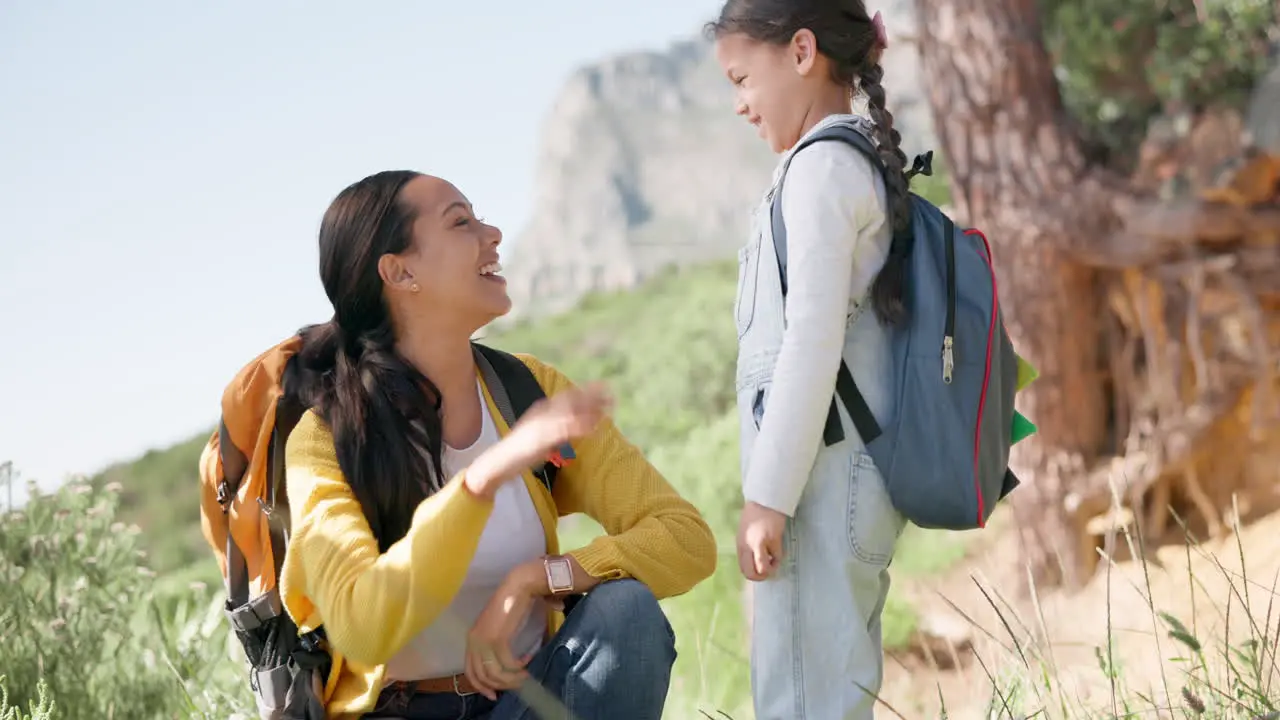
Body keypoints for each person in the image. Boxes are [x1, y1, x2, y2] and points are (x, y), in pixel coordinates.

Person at [276, 169, 718, 720]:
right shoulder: (325, 439)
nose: (494, 234)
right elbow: (362, 628)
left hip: (530, 697)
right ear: (400, 271)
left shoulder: (525, 391)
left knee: (625, 611)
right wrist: (482, 481)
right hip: (405, 710)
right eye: (461, 222)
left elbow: (686, 540)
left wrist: (538, 578)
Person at [708, 2, 911, 718]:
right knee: (829, 690)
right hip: (844, 475)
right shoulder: (848, 159)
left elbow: (811, 344)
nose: (738, 104)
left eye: (741, 78)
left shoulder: (821, 168)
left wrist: (767, 498)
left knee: (803, 699)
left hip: (818, 483)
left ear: (801, 52)